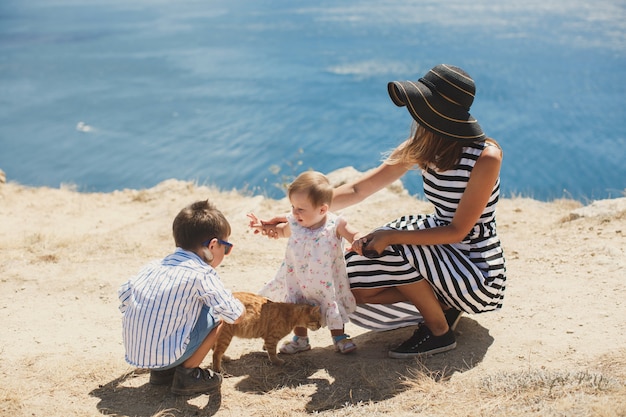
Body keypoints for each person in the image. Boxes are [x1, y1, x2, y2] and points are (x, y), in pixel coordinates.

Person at [259, 64, 506, 359]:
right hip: (436, 246)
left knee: (390, 246)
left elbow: (458, 231)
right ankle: (442, 304)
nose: (414, 112)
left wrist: (392, 236)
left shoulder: (485, 157)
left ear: (439, 110)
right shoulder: (423, 144)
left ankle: (439, 331)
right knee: (346, 283)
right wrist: (295, 214)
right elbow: (358, 190)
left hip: (472, 263)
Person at [118, 200, 245, 395]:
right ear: (213, 246)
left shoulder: (151, 267)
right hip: (167, 355)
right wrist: (240, 305)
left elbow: (125, 297)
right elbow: (234, 315)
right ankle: (188, 375)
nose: (226, 253)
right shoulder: (201, 274)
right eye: (226, 248)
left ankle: (162, 373)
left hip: (138, 353)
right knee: (217, 316)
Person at [248, 171, 362, 354]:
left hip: (326, 280)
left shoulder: (335, 224)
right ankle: (300, 339)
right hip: (298, 279)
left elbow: (353, 233)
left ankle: (339, 337)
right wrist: (263, 226)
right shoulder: (294, 224)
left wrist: (358, 240)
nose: (294, 212)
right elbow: (280, 231)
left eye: (301, 209)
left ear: (322, 209)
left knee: (331, 304)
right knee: (296, 306)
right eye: (293, 206)